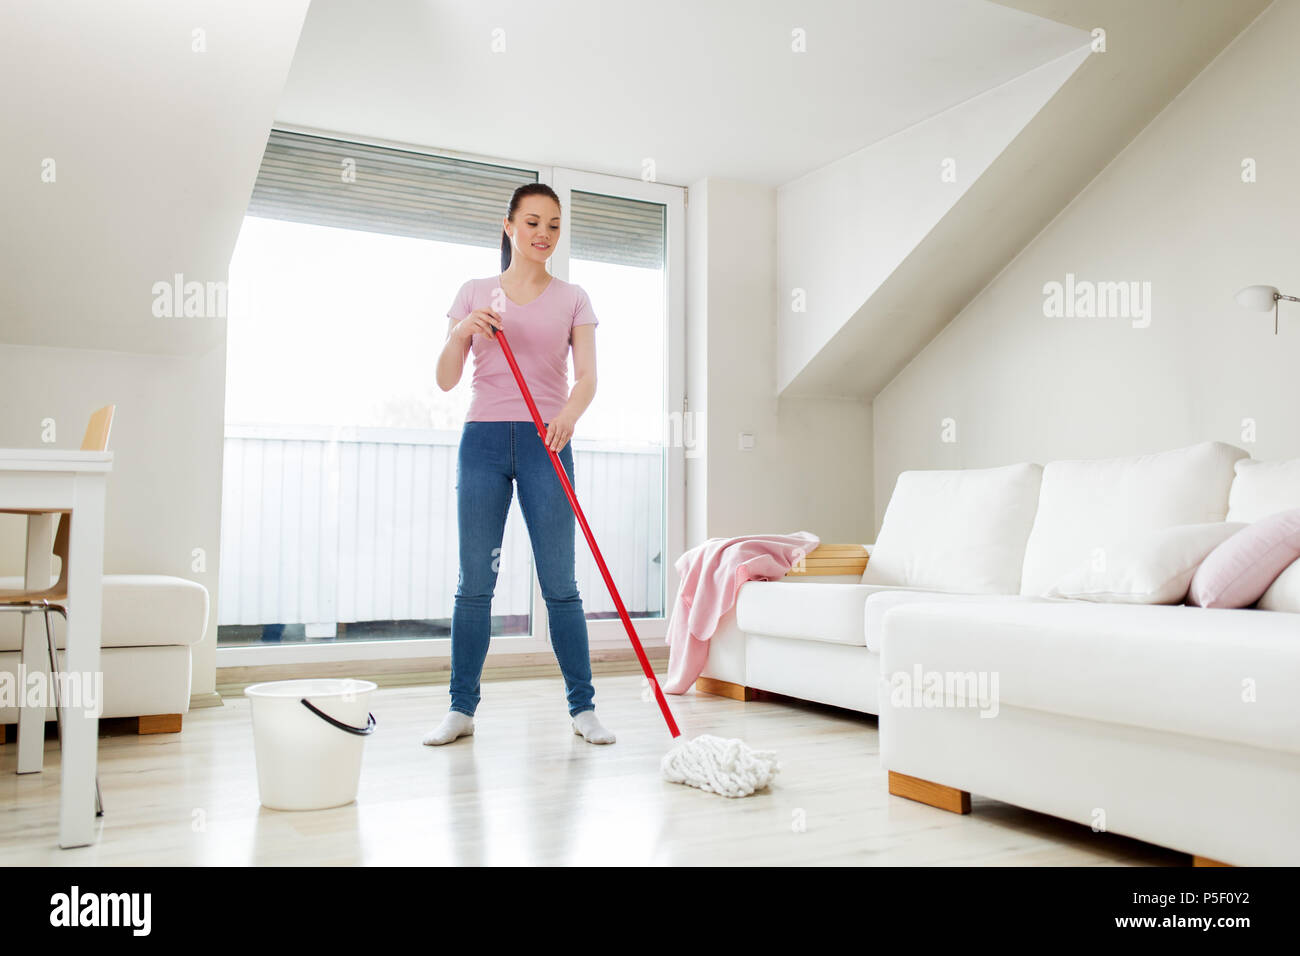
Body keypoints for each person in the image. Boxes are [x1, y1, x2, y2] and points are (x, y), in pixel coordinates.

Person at [424, 183, 614, 746]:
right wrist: (463, 330)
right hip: (482, 440)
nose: (543, 234)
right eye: (532, 222)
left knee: (561, 583)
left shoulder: (574, 297)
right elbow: (445, 378)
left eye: (553, 225)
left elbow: (587, 378)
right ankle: (461, 709)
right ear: (509, 226)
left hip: (547, 443)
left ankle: (583, 709)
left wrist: (569, 418)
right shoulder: (475, 293)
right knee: (475, 583)